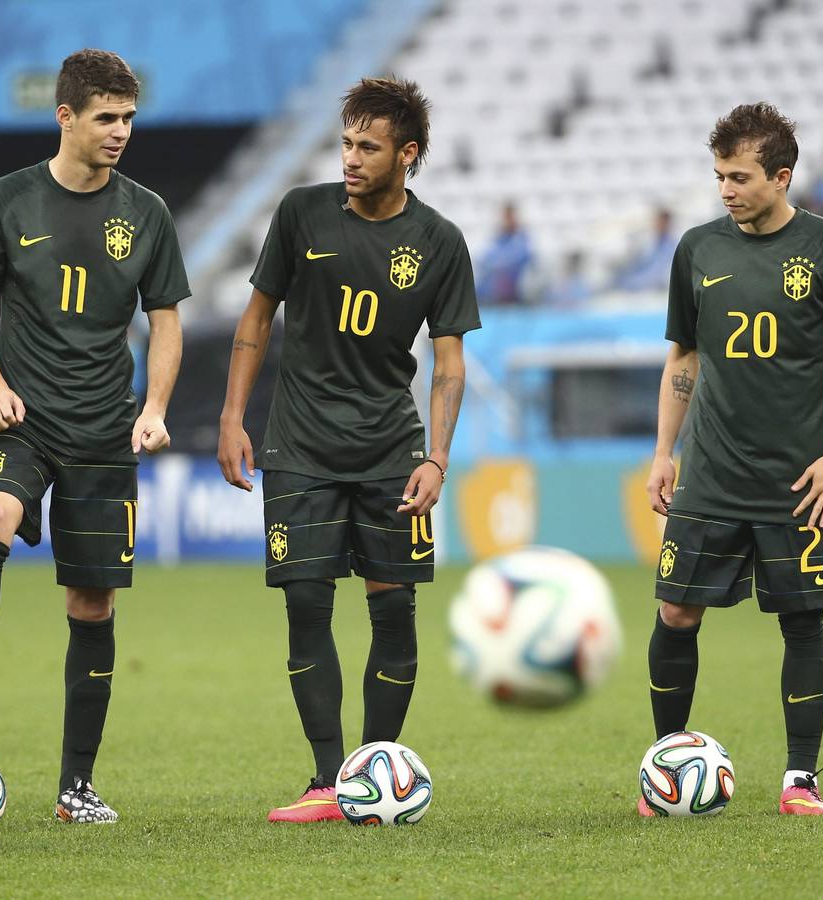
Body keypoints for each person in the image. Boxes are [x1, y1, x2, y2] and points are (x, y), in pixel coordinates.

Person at [0, 48, 189, 825]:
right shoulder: (6, 201)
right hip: (23, 420)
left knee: (92, 603)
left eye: (129, 119)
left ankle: (76, 788)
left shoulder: (146, 214)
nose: (121, 132)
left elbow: (167, 323)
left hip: (104, 432)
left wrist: (154, 406)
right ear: (66, 117)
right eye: (107, 118)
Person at [217, 77, 479, 823]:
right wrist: (234, 416)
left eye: (368, 146)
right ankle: (328, 782)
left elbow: (450, 361)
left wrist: (436, 457)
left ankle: (378, 771)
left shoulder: (438, 242)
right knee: (306, 601)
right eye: (346, 143)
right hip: (298, 445)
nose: (351, 158)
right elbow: (255, 318)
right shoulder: (301, 214)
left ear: (408, 154)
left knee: (393, 610)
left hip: (392, 452)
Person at [643, 103, 823, 817]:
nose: (726, 188)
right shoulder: (697, 249)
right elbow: (683, 356)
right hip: (711, 474)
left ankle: (799, 781)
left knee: (803, 622)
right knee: (675, 612)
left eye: (741, 176)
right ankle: (665, 770)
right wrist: (664, 451)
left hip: (800, 480)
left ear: (782, 177)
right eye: (719, 175)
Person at [474, 202, 532, 305]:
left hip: (516, 285)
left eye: (509, 217)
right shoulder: (498, 239)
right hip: (495, 286)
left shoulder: (522, 238)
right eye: (505, 217)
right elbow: (485, 258)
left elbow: (523, 257)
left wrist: (499, 265)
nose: (507, 221)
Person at [614, 208, 678, 293]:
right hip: (636, 284)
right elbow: (639, 266)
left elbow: (657, 273)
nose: (658, 225)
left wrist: (634, 284)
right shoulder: (650, 242)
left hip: (652, 289)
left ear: (668, 223)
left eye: (661, 222)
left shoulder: (672, 246)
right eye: (657, 222)